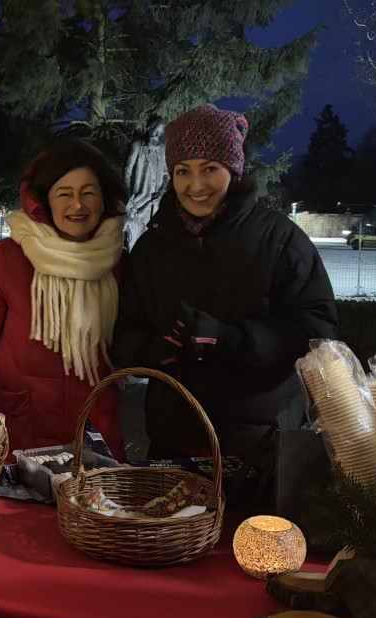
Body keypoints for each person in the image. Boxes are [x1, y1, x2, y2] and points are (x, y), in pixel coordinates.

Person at [111, 103, 337, 470]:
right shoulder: (151, 247)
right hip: (173, 441)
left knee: (252, 531)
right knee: (174, 528)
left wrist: (234, 340)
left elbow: (317, 337)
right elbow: (123, 333)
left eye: (210, 169)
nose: (195, 185)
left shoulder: (280, 240)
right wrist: (155, 349)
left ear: (233, 170)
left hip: (262, 446)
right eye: (183, 170)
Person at [0, 139, 129, 458]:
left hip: (94, 442)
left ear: (105, 200)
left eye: (89, 192)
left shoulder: (120, 266)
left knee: (93, 510)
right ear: (44, 201)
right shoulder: (7, 259)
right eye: (65, 193)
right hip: (15, 440)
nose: (78, 204)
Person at [123, 117, 170, 251]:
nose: (157, 136)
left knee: (153, 242)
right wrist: (128, 197)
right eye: (155, 131)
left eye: (160, 133)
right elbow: (127, 172)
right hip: (139, 201)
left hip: (156, 204)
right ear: (149, 128)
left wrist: (161, 192)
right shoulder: (137, 146)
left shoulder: (162, 149)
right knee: (134, 240)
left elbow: (167, 175)